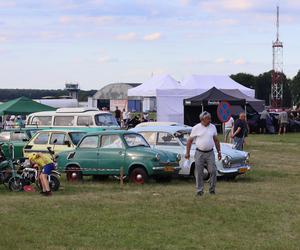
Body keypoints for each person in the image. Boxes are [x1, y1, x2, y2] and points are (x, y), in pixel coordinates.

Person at [185, 111, 221, 196]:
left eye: (210, 118)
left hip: (210, 153)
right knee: (199, 172)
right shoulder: (196, 128)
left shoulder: (213, 127)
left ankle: (212, 190)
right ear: (202, 119)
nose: (210, 120)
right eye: (207, 119)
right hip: (199, 153)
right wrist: (187, 153)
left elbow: (216, 140)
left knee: (213, 171)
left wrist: (219, 152)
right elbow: (189, 141)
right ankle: (199, 190)